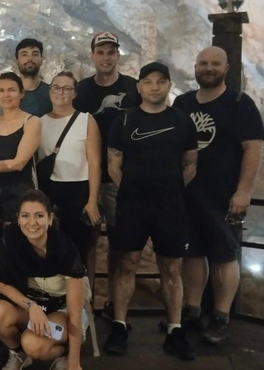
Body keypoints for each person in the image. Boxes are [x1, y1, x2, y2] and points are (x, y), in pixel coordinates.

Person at [104, 62, 198, 360]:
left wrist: (167, 188)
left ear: (169, 85)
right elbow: (113, 165)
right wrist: (134, 187)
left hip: (170, 206)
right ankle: (119, 324)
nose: (154, 87)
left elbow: (190, 164)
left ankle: (174, 329)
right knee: (126, 264)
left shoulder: (183, 121)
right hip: (132, 204)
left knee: (171, 268)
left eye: (161, 81)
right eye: (148, 81)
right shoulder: (124, 121)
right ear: (139, 87)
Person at [173, 46, 264, 344]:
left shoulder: (239, 103)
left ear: (225, 68)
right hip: (189, 195)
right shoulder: (184, 103)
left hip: (224, 196)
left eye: (215, 64)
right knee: (193, 255)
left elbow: (252, 149)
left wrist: (243, 190)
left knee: (224, 257)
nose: (208, 68)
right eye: (203, 63)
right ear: (195, 66)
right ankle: (193, 310)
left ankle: (221, 317)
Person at [72, 31, 139, 318]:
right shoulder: (82, 90)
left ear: (118, 55)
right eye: (101, 52)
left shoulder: (133, 88)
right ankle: (85, 302)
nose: (106, 57)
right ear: (93, 55)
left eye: (111, 52)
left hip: (118, 181)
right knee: (86, 241)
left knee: (118, 242)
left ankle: (114, 302)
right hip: (85, 179)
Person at [0, 190, 88, 370]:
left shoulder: (65, 249)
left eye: (39, 216)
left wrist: (75, 363)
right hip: (33, 305)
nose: (31, 223)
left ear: (50, 218)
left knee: (33, 344)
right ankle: (19, 354)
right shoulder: (12, 237)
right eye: (25, 215)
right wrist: (31, 306)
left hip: (62, 310)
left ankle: (64, 353)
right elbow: (3, 283)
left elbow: (75, 312)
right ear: (18, 218)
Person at [38, 72, 102, 268]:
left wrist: (92, 201)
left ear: (74, 93)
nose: (61, 92)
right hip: (49, 191)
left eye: (67, 88)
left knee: (77, 249)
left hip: (78, 191)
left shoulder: (85, 120)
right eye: (56, 87)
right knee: (49, 247)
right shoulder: (39, 122)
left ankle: (79, 296)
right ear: (50, 91)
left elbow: (95, 163)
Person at [0, 72, 41, 223]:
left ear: (21, 93)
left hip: (22, 195)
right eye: (2, 90)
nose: (6, 95)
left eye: (11, 90)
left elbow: (18, 163)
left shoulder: (31, 122)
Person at [15, 38, 52, 117]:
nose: (30, 59)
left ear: (42, 59)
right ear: (16, 60)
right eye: (24, 55)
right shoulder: (8, 95)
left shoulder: (52, 94)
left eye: (35, 54)